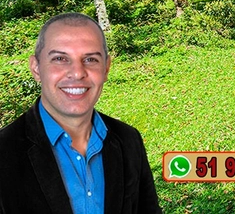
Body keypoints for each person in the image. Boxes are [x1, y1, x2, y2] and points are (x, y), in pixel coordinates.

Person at [0, 12, 162, 214]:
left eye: (91, 59)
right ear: (36, 68)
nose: (77, 73)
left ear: (106, 68)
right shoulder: (4, 152)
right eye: (60, 58)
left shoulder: (129, 140)